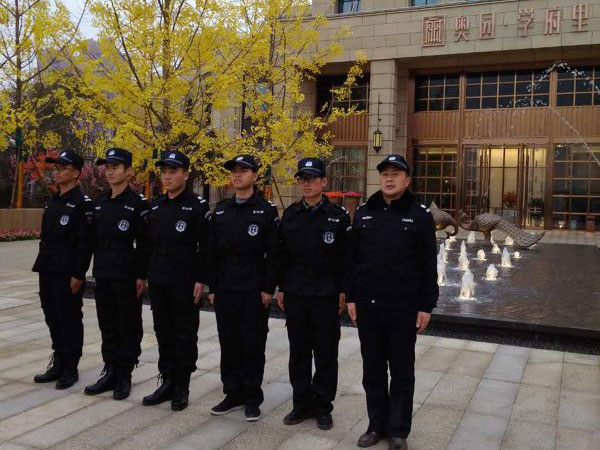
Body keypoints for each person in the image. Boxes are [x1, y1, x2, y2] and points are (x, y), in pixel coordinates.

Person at [345, 155, 438, 450]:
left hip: (403, 308)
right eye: (385, 173)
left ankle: (398, 430)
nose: (389, 178)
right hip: (369, 307)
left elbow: (428, 265)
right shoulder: (364, 213)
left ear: (407, 181)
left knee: (401, 371)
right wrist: (351, 297)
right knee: (372, 370)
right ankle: (376, 425)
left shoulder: (419, 215)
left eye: (395, 174)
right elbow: (352, 260)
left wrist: (426, 306)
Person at [277, 157, 350, 430]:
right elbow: (282, 255)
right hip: (296, 293)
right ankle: (301, 404)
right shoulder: (291, 214)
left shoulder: (338, 216)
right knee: (298, 352)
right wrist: (282, 287)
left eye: (311, 179)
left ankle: (322, 406)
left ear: (324, 182)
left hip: (325, 295)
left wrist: (344, 289)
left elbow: (346, 259)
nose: (306, 184)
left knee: (326, 354)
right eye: (302, 179)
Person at [206, 154, 280, 422]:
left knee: (252, 342)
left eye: (243, 171)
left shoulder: (266, 210)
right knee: (228, 341)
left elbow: (274, 253)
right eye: (234, 171)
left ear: (255, 176)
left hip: (253, 286)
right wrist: (213, 287)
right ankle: (232, 392)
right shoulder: (222, 209)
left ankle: (251, 397)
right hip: (226, 285)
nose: (237, 175)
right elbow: (211, 252)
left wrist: (268, 288)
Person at [141, 150, 210, 411]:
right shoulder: (156, 206)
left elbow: (205, 247)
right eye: (164, 172)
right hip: (159, 277)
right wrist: (145, 274)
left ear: (185, 174)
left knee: (184, 333)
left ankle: (182, 385)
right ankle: (167, 381)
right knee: (163, 331)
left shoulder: (197, 206)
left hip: (184, 279)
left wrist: (201, 279)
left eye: (173, 171)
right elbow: (148, 245)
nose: (167, 177)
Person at [84, 148, 148, 400]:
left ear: (128, 171)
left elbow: (145, 243)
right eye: (107, 167)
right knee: (107, 324)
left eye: (115, 167)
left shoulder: (138, 204)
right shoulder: (100, 203)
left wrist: (141, 274)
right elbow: (91, 240)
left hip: (127, 275)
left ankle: (124, 374)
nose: (110, 172)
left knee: (128, 324)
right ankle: (110, 370)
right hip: (103, 272)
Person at [32, 150, 92, 390]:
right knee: (52, 316)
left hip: (67, 272)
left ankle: (70, 366)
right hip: (47, 267)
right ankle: (58, 361)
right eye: (55, 167)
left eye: (62, 167)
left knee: (69, 318)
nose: (56, 171)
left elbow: (84, 243)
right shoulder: (53, 201)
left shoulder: (82, 203)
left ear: (76, 173)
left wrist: (78, 273)